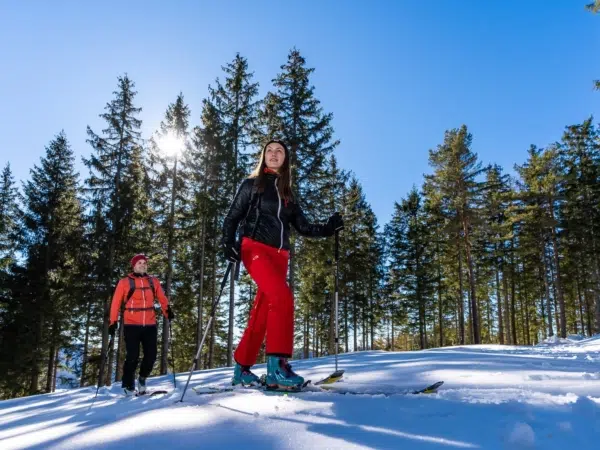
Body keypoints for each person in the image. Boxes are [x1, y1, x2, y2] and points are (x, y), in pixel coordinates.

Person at [222, 139, 344, 391]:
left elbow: (304, 227)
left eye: (279, 151)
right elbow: (232, 216)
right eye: (270, 150)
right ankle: (277, 368)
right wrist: (228, 243)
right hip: (254, 249)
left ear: (285, 159)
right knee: (282, 298)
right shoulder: (251, 185)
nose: (274, 154)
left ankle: (241, 369)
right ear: (263, 156)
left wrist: (329, 228)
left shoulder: (287, 195)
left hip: (280, 257)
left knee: (262, 311)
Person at [109, 254, 174, 395]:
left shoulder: (153, 281)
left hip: (150, 324)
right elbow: (115, 303)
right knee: (132, 355)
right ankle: (128, 386)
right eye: (139, 263)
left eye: (144, 263)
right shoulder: (124, 282)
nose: (143, 265)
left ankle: (142, 378)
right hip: (131, 324)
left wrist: (167, 310)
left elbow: (162, 298)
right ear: (134, 265)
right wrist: (112, 321)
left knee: (151, 355)